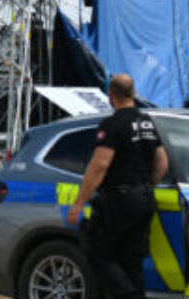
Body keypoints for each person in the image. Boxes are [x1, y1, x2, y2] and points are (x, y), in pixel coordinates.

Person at [66, 74, 169, 299]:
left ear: (111, 97)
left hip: (120, 200)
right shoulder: (147, 122)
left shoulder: (112, 125)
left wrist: (78, 203)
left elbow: (99, 166)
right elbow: (162, 163)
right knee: (131, 261)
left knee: (97, 252)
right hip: (144, 197)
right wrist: (145, 186)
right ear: (133, 93)